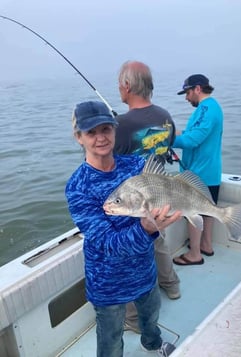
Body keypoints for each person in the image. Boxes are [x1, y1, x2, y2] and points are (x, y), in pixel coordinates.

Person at [65, 100, 182, 357]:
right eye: (91, 132)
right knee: (110, 340)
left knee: (151, 318)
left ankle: (152, 345)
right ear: (79, 138)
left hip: (145, 269)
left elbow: (164, 191)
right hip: (107, 283)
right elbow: (107, 244)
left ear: (115, 131)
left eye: (106, 129)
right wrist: (147, 226)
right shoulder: (78, 187)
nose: (100, 138)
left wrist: (172, 204)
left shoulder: (135, 166)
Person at [114, 60, 181, 332]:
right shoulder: (165, 115)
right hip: (162, 195)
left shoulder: (120, 124)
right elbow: (170, 145)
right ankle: (172, 285)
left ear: (127, 86)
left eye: (120, 83)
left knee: (133, 258)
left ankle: (134, 319)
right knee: (159, 240)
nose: (119, 88)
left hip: (135, 199)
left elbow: (106, 162)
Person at [172, 74, 223, 266]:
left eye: (187, 92)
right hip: (210, 172)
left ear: (198, 89)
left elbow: (193, 140)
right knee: (208, 211)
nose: (186, 98)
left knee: (193, 213)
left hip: (199, 174)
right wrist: (177, 133)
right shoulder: (211, 108)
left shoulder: (207, 108)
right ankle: (206, 246)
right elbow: (196, 134)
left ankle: (195, 254)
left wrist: (166, 140)